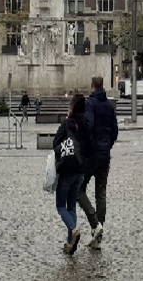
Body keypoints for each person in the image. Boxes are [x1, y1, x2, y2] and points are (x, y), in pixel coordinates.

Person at [78, 76, 118, 250]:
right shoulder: (109, 106)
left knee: (79, 189)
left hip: (91, 155)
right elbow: (115, 130)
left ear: (92, 85)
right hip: (105, 155)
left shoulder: (90, 103)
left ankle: (95, 224)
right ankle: (98, 235)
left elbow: (88, 126)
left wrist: (87, 146)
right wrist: (107, 145)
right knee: (101, 193)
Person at [53, 93, 93, 255]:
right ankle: (71, 243)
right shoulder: (85, 124)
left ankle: (73, 230)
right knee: (72, 207)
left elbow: (55, 143)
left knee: (61, 206)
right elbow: (90, 146)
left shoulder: (67, 124)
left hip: (67, 169)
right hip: (80, 170)